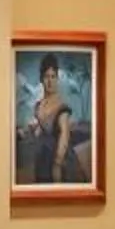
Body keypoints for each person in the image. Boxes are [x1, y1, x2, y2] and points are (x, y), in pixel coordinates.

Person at [22, 52, 80, 186]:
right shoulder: (39, 105)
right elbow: (39, 130)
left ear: (57, 78)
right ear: (42, 79)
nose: (50, 81)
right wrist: (31, 129)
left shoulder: (61, 107)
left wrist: (57, 164)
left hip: (59, 160)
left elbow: (64, 136)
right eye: (46, 76)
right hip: (43, 158)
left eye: (53, 76)